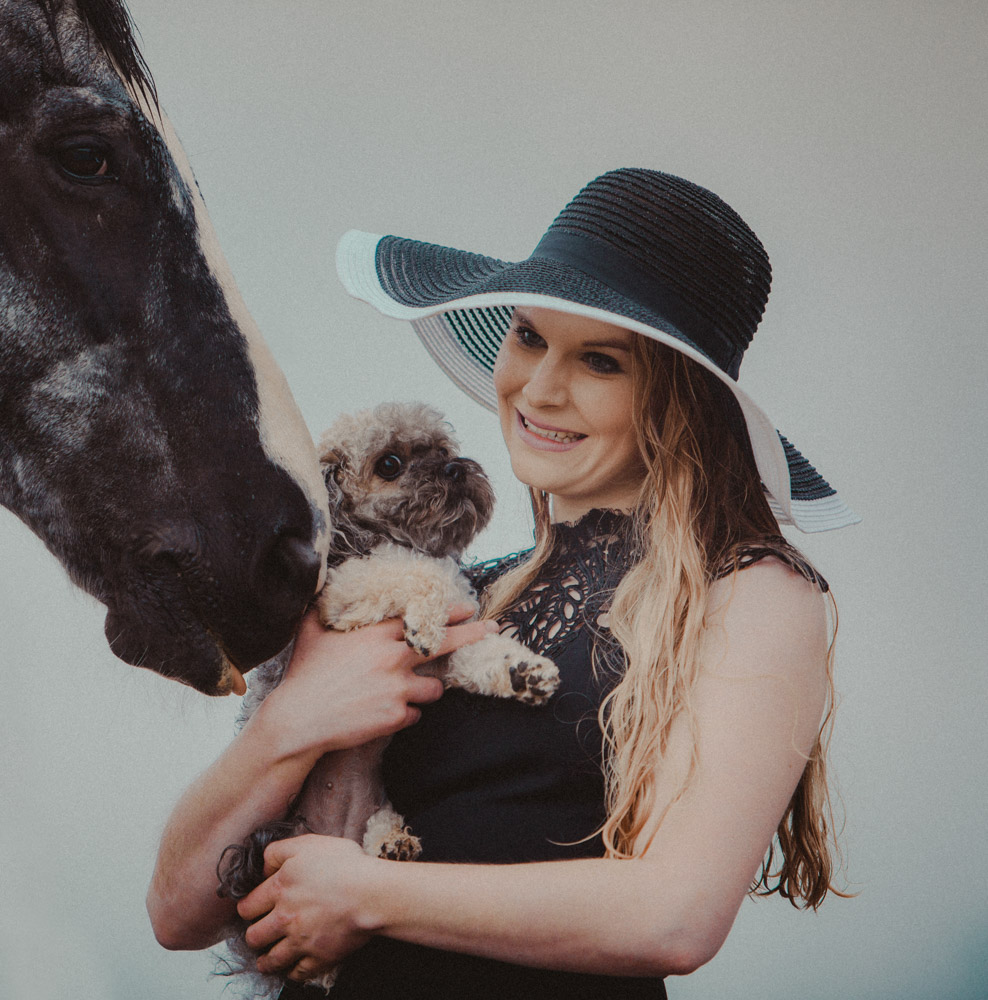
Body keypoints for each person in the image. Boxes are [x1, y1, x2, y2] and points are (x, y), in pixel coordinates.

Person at [145, 168, 857, 998]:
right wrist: (290, 721)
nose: (539, 387)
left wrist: (368, 894)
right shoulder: (455, 590)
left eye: (601, 361)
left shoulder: (753, 592)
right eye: (528, 337)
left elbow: (676, 915)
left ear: (682, 399)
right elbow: (176, 913)